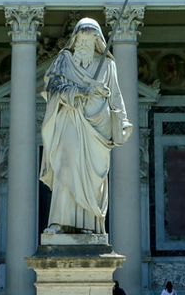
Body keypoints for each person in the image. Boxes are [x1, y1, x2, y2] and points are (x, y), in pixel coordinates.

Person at [39, 17, 132, 233]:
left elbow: (116, 95)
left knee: (93, 180)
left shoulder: (108, 65)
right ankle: (59, 223)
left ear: (97, 41)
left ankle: (90, 224)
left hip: (98, 128)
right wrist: (80, 92)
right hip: (69, 123)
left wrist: (123, 121)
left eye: (89, 40)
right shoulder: (64, 60)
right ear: (75, 39)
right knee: (66, 168)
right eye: (81, 39)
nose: (84, 44)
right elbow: (52, 87)